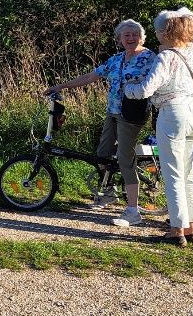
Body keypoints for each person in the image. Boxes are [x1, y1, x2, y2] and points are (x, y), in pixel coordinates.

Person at [46, 20, 156, 226]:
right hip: (112, 113)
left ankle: (133, 210)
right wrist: (61, 86)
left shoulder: (150, 58)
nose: (131, 38)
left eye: (134, 34)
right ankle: (109, 193)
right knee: (102, 155)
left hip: (132, 115)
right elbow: (91, 76)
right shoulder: (116, 60)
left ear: (142, 37)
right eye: (126, 35)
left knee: (125, 158)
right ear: (119, 39)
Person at [124, 8, 193, 246]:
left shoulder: (166, 56)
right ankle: (191, 227)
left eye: (159, 31)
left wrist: (128, 88)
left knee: (172, 173)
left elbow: (145, 90)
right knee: (190, 172)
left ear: (167, 31)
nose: (157, 35)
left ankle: (176, 230)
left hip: (173, 113)